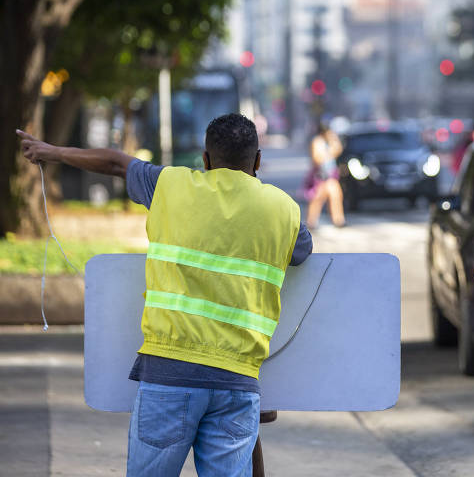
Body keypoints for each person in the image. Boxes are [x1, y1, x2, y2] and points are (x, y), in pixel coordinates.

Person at [18, 113, 313, 477]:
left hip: (168, 375)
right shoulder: (284, 209)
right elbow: (302, 252)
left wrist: (52, 152)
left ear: (205, 159)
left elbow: (115, 162)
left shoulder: (169, 185)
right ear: (258, 160)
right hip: (237, 382)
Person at [304, 124, 345, 229]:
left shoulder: (329, 141)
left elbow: (339, 149)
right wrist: (329, 152)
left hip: (331, 176)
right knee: (317, 199)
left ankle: (338, 220)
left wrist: (334, 139)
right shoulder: (317, 142)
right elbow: (317, 159)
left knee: (336, 196)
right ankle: (311, 221)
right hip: (320, 176)